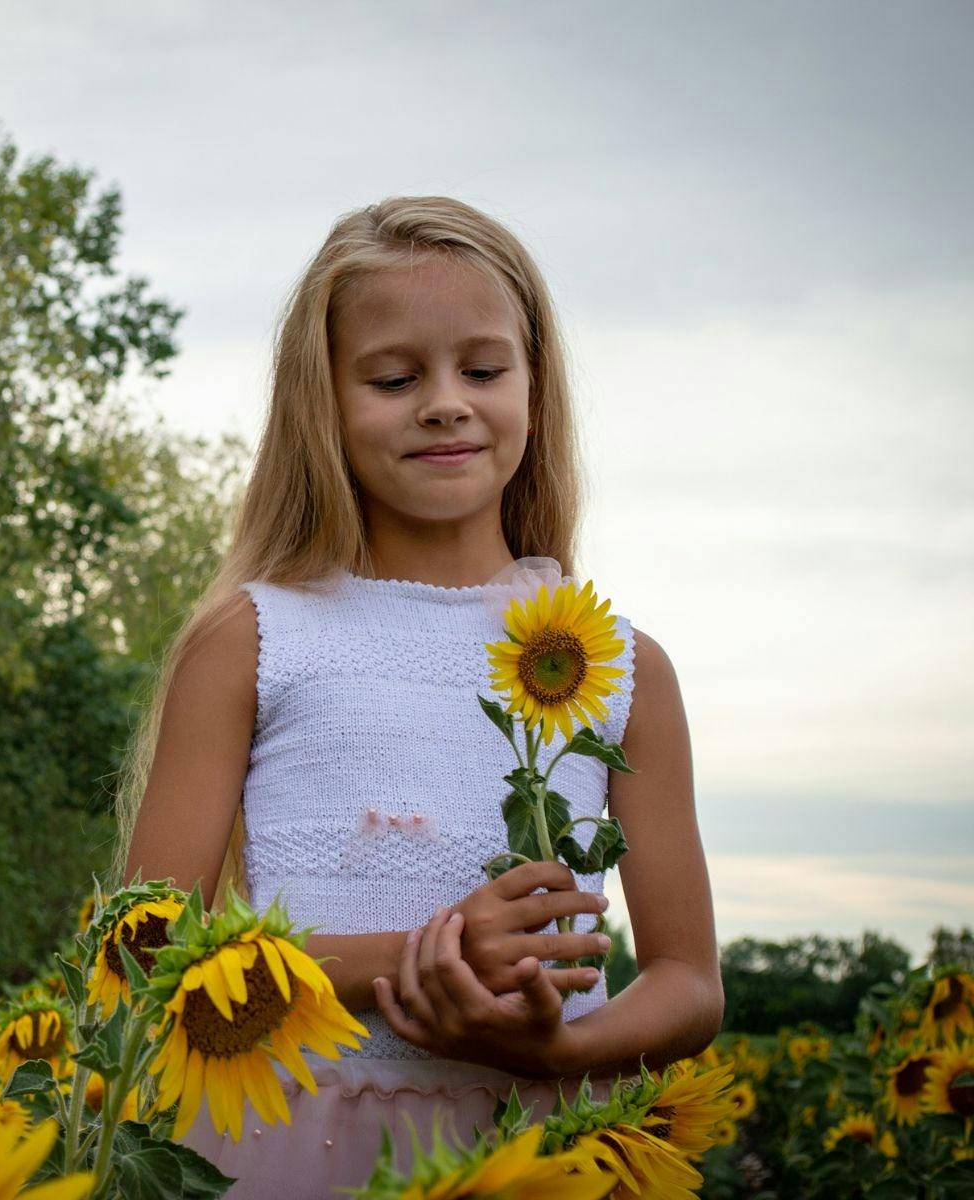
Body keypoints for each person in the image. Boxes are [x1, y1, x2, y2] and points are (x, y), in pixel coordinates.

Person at [113, 196, 722, 1197]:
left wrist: (563, 1053)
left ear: (534, 386)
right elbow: (145, 955)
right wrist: (427, 957)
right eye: (395, 378)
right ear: (324, 401)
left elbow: (690, 985)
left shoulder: (621, 668)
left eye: (482, 370)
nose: (444, 402)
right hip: (288, 1136)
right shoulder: (254, 638)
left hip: (532, 1143)